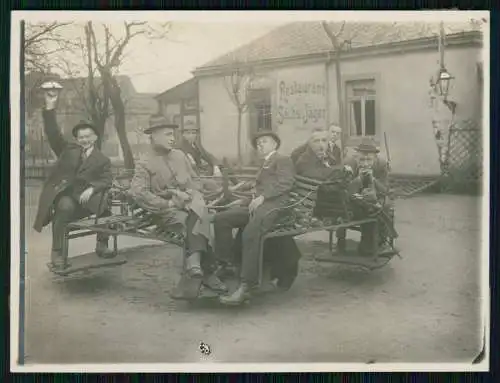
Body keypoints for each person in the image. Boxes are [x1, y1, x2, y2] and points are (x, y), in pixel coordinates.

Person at [127, 115, 226, 292]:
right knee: (198, 222)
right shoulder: (144, 162)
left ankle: (195, 267)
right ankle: (208, 273)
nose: (173, 138)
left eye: (173, 134)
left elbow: (194, 180)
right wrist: (169, 204)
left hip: (190, 204)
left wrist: (192, 192)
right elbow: (139, 193)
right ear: (154, 136)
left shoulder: (180, 156)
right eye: (167, 134)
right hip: (165, 212)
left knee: (197, 217)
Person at [33, 84, 114, 271]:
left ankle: (102, 244)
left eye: (88, 136)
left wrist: (92, 188)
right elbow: (53, 134)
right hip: (69, 196)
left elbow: (107, 179)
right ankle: (58, 252)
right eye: (80, 137)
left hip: (88, 198)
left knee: (105, 205)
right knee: (64, 206)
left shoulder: (102, 159)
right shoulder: (68, 150)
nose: (84, 140)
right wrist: (50, 106)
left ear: (95, 137)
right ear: (76, 139)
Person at [213, 131, 296, 305]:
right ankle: (226, 263)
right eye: (258, 143)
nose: (260, 145)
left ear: (275, 144)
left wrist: (263, 197)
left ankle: (247, 286)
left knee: (251, 233)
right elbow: (258, 188)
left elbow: (285, 183)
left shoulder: (282, 160)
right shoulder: (265, 163)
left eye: (264, 142)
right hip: (258, 205)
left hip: (276, 206)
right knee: (222, 219)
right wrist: (243, 201)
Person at [339, 138, 396, 254]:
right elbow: (344, 190)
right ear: (356, 157)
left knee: (382, 206)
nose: (365, 164)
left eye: (369, 160)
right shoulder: (348, 164)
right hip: (353, 203)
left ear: (375, 158)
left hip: (373, 198)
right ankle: (370, 244)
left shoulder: (381, 165)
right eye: (362, 159)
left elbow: (385, 190)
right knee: (369, 209)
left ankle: (377, 241)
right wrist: (358, 180)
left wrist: (373, 180)